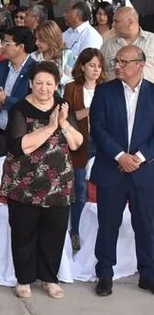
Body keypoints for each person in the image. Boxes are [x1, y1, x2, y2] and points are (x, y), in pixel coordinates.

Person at [2, 61, 83, 299]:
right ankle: (24, 279)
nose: (44, 88)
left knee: (54, 233)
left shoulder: (64, 107)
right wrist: (50, 127)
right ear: (30, 84)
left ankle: (49, 279)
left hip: (59, 184)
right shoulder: (19, 108)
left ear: (57, 85)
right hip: (24, 184)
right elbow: (19, 147)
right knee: (23, 232)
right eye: (39, 83)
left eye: (49, 83)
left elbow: (77, 144)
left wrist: (64, 123)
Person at [90, 45, 154, 297]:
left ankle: (148, 274)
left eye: (123, 62)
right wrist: (120, 156)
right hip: (111, 168)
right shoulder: (105, 91)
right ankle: (105, 273)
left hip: (144, 171)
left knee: (146, 225)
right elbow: (98, 128)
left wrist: (137, 158)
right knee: (108, 224)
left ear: (140, 64)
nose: (117, 66)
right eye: (116, 61)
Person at [63, 48, 107, 252]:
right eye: (92, 65)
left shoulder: (108, 88)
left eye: (99, 66)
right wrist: (91, 109)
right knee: (79, 190)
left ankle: (102, 229)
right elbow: (68, 118)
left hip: (103, 144)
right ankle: (75, 231)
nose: (96, 70)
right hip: (80, 144)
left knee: (105, 188)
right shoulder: (71, 88)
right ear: (82, 66)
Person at [0, 27, 37, 162]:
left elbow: (33, 104)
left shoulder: (35, 70)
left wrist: (5, 100)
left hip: (22, 137)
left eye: (7, 43)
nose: (2, 47)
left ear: (21, 47)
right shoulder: (0, 66)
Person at [99, 7, 154, 82]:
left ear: (130, 22)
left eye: (116, 21)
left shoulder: (152, 41)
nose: (112, 25)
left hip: (148, 92)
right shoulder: (107, 45)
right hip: (114, 92)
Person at [31, 21, 74, 88]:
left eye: (41, 39)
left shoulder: (68, 56)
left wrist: (61, 76)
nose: (36, 43)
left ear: (51, 39)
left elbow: (74, 83)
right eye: (36, 38)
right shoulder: (33, 56)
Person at [62, 1, 104, 65]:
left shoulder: (92, 36)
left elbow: (85, 63)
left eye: (67, 11)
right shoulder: (66, 33)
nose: (64, 15)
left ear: (78, 13)